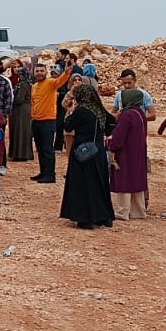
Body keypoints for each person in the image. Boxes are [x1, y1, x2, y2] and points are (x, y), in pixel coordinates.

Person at [59, 83, 116, 229]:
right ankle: (103, 217)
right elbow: (112, 123)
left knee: (83, 185)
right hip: (98, 152)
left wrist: (70, 110)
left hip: (82, 152)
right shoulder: (100, 110)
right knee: (99, 183)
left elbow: (67, 126)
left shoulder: (81, 111)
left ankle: (85, 219)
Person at [107, 88, 151, 220]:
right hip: (138, 150)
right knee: (136, 178)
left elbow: (119, 136)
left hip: (126, 152)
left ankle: (123, 211)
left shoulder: (127, 115)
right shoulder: (140, 113)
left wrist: (112, 147)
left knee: (124, 178)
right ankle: (138, 211)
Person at [30, 64, 68, 183]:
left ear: (46, 72)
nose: (39, 73)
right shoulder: (34, 86)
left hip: (48, 121)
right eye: (37, 71)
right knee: (40, 149)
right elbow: (33, 103)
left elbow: (61, 80)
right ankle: (43, 172)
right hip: (36, 121)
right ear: (34, 72)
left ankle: (50, 175)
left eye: (42, 70)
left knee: (47, 149)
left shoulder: (51, 83)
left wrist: (67, 72)